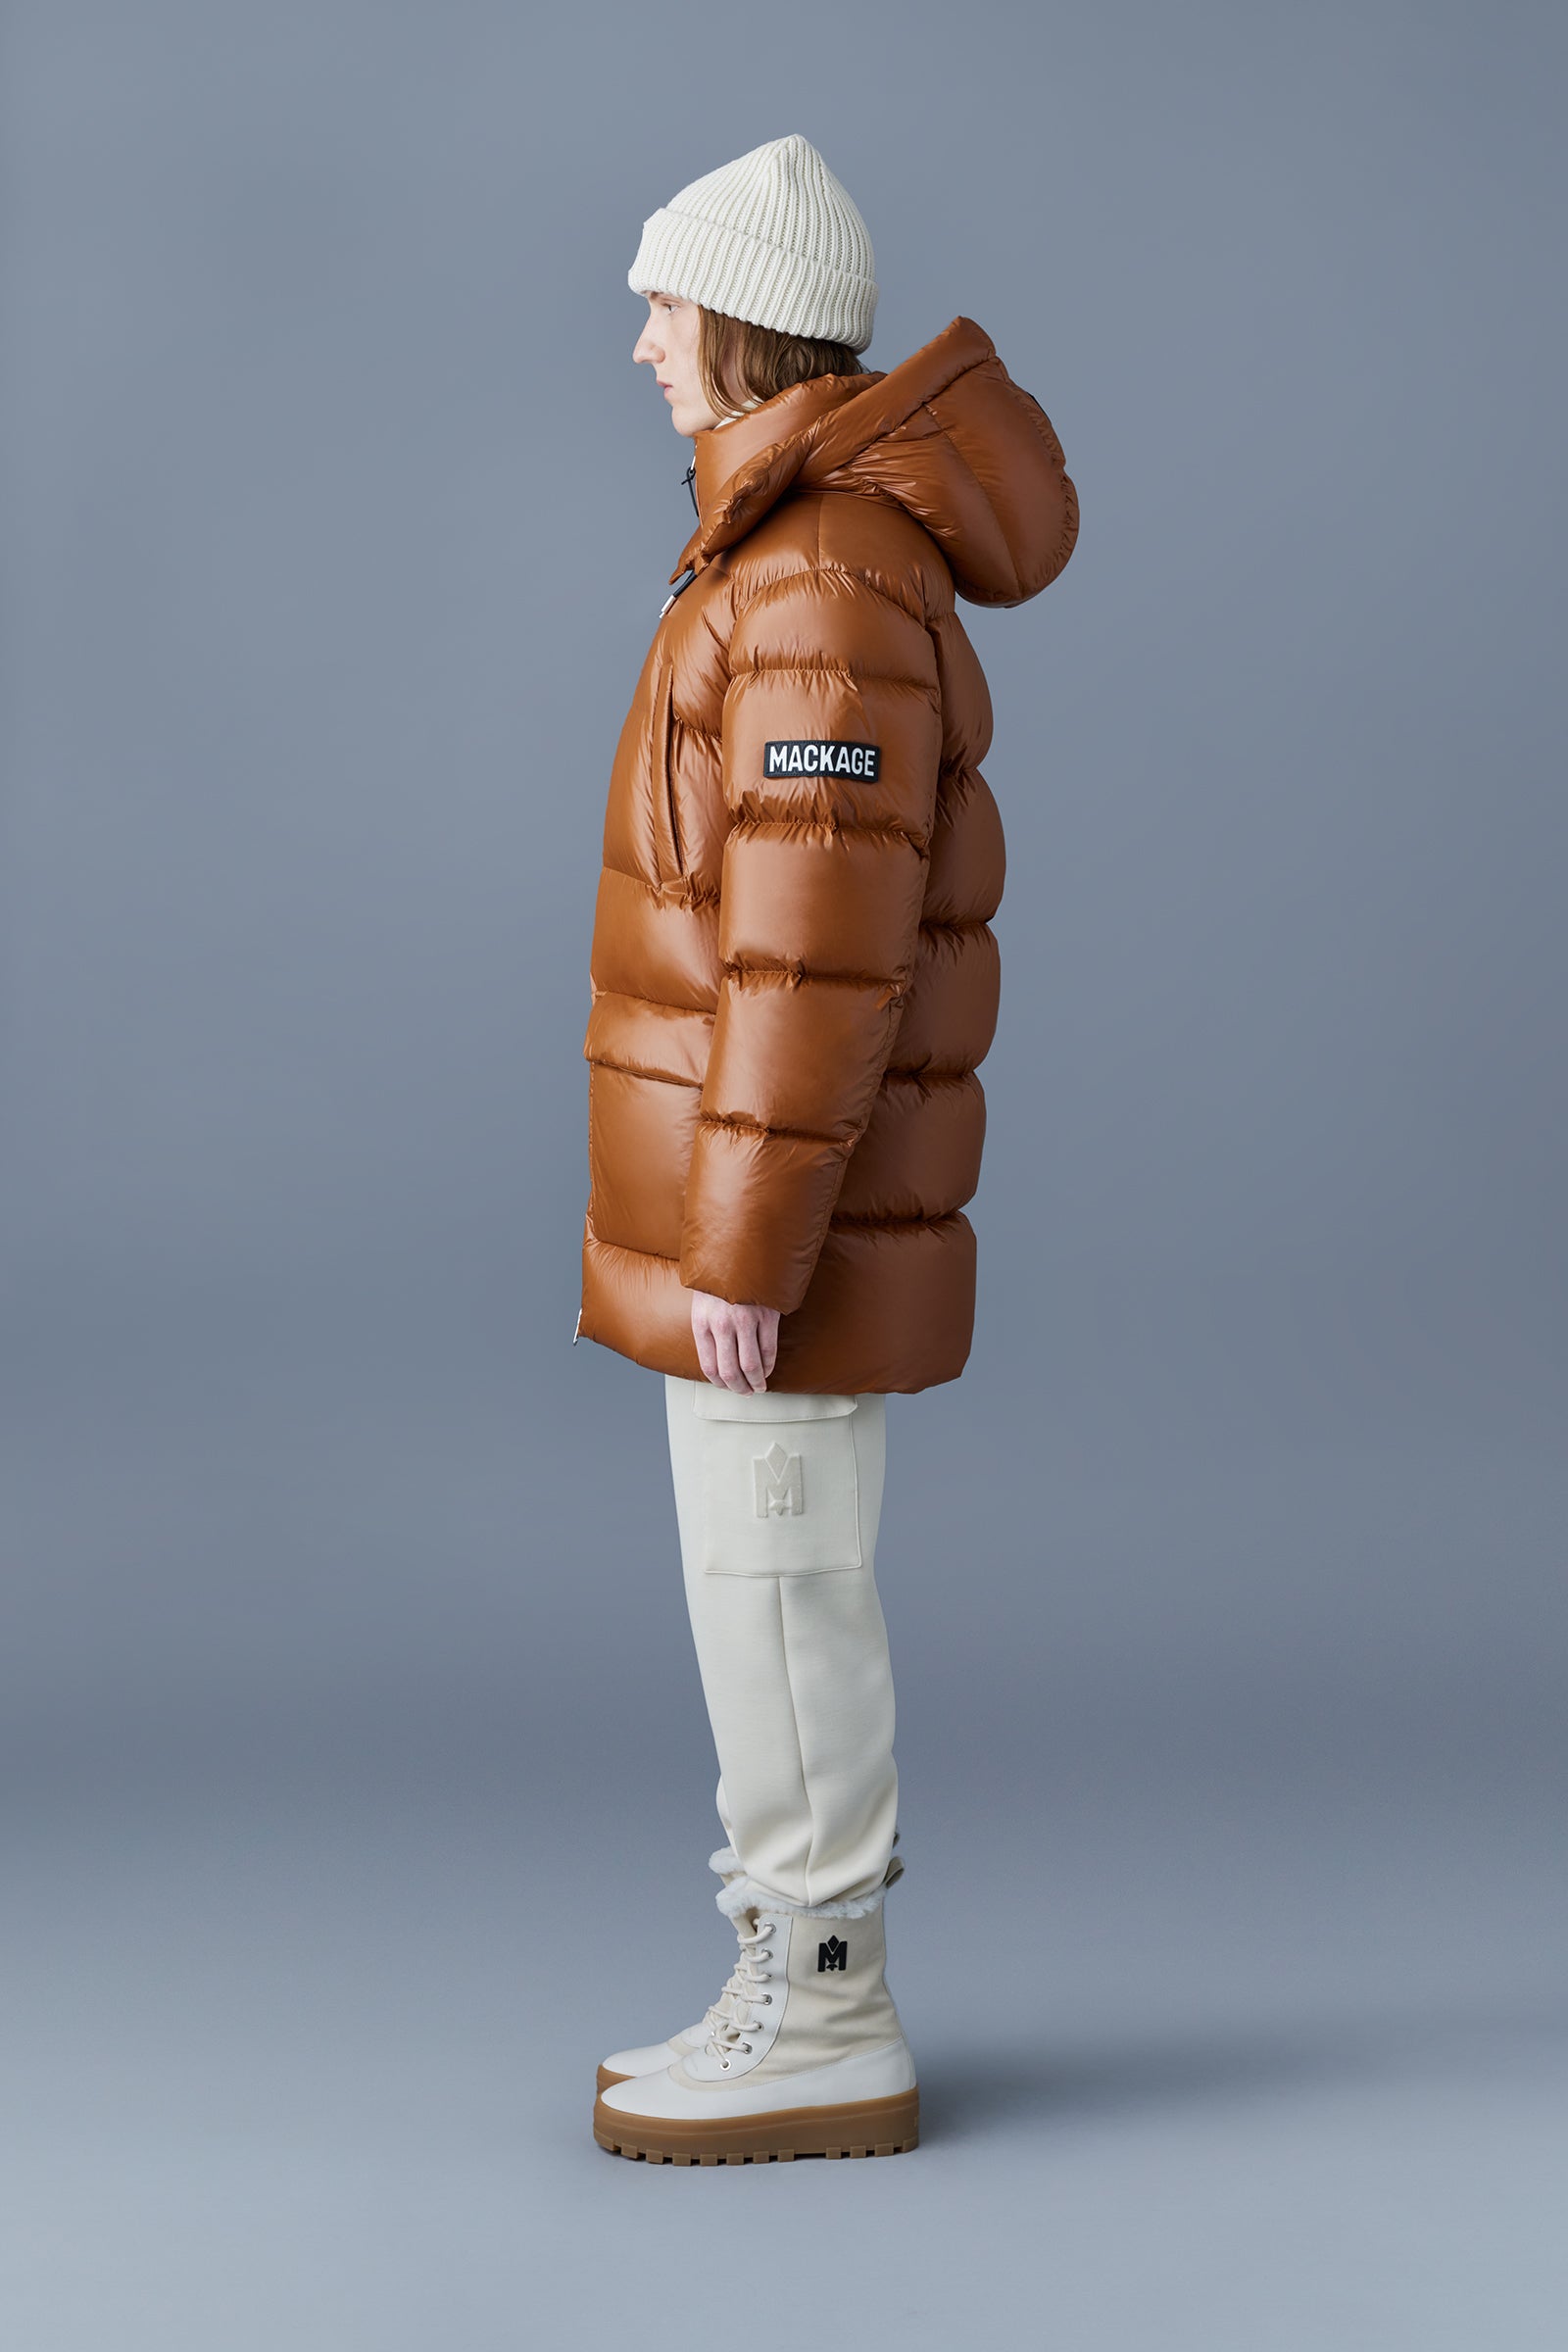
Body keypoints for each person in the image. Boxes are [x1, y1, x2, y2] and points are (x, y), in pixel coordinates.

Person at [575, 132, 1078, 2165]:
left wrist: (747, 1249)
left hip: (781, 1236)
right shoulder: (792, 555)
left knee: (779, 1591)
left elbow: (814, 955)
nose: (638, 343)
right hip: (768, 1215)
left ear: (742, 323)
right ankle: (790, 1977)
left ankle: (827, 2009)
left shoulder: (818, 583)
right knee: (763, 1587)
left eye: (662, 305)